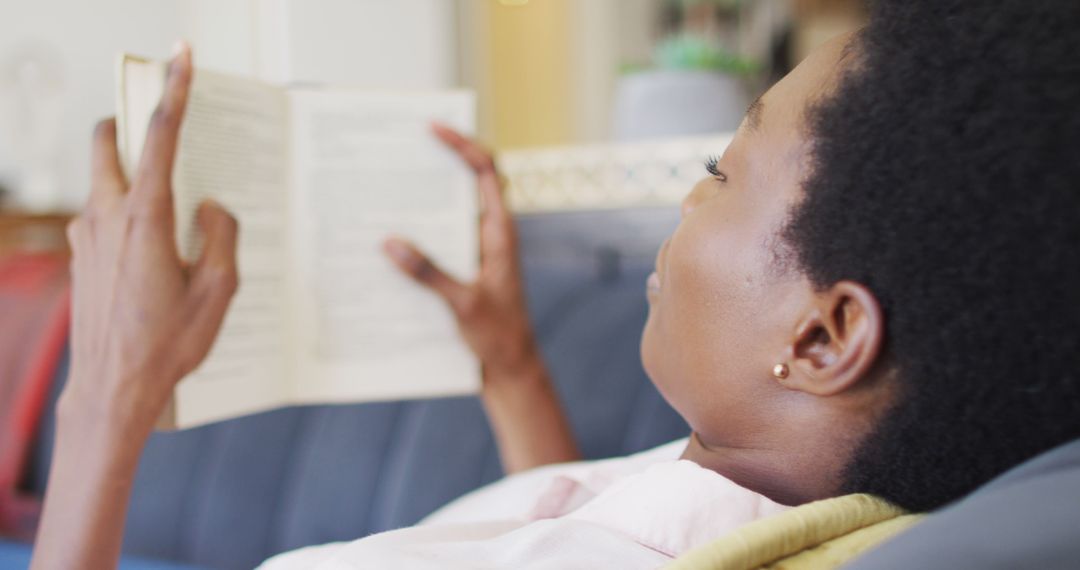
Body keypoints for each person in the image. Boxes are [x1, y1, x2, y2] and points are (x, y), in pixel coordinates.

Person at [29, 0, 1080, 567]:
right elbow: (600, 521)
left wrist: (106, 401)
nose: (689, 198)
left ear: (820, 340)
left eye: (721, 170)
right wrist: (511, 365)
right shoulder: (763, 488)